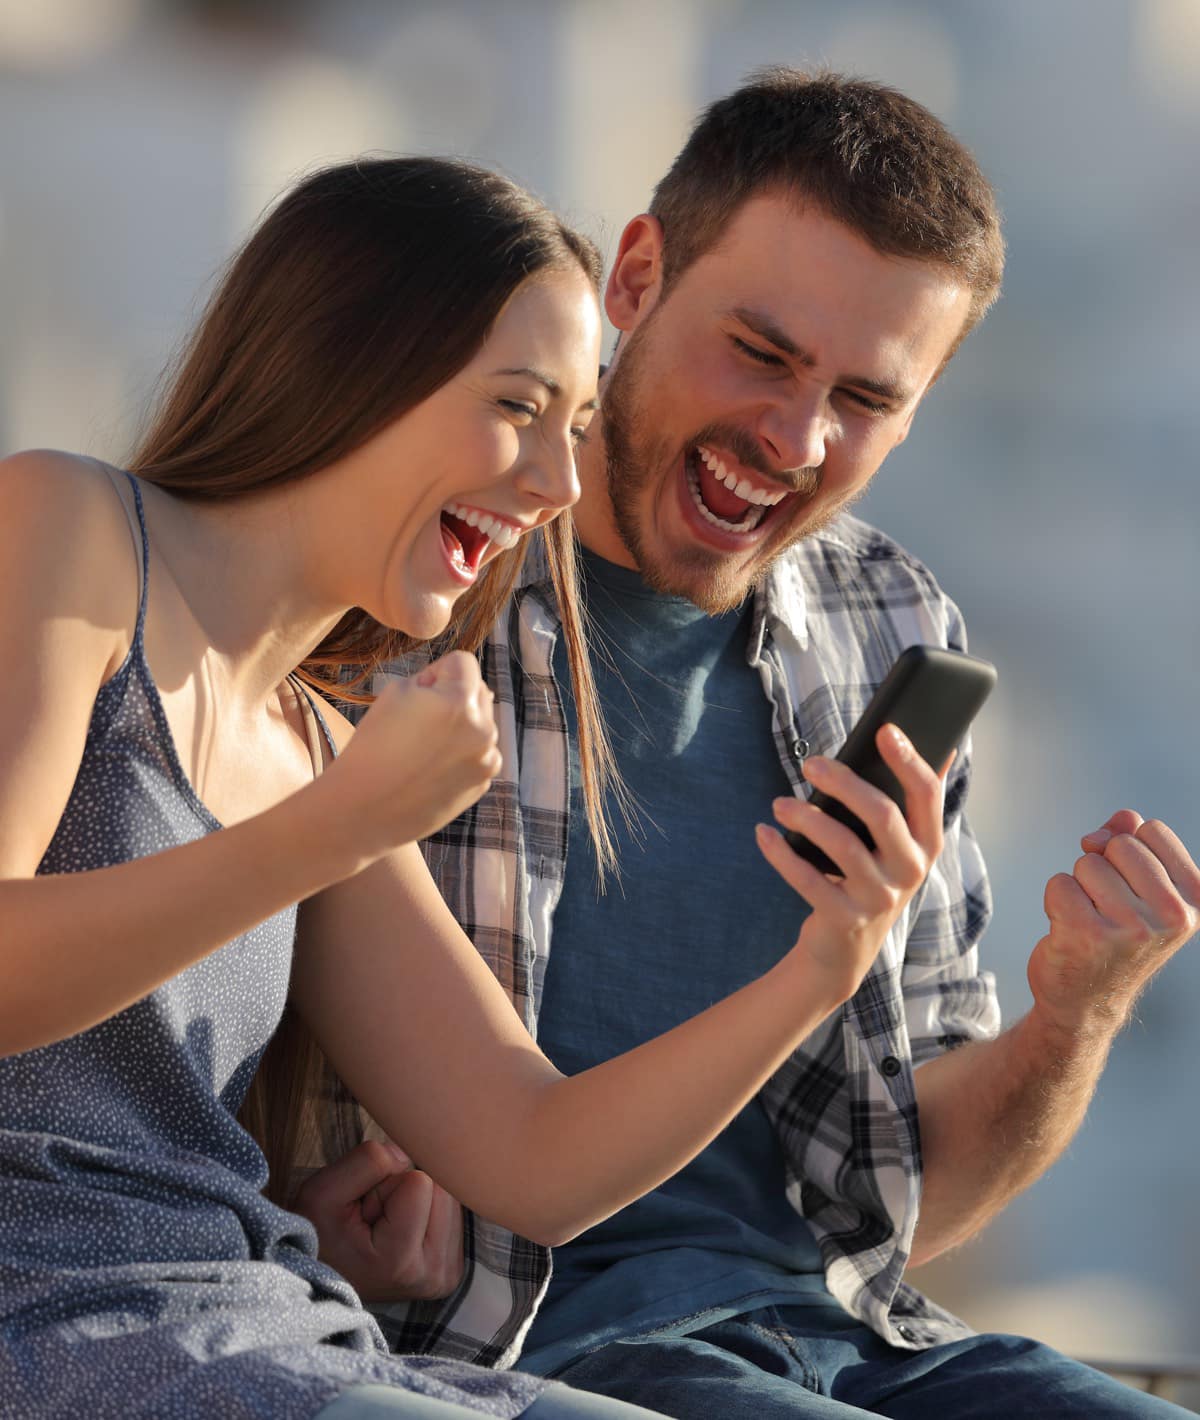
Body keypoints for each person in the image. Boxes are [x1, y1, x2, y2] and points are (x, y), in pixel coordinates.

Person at [0, 155, 965, 1420]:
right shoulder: (67, 527)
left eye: (575, 428)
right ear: (357, 361)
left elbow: (532, 1156)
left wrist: (825, 965)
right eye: (520, 406)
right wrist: (335, 828)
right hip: (59, 1326)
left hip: (262, 1324)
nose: (559, 487)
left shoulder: (321, 749)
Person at [303, 74, 1200, 1418]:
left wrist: (1077, 1012)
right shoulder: (427, 566)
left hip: (842, 1332)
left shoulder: (889, 624)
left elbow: (904, 1201)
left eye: (865, 399)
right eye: (763, 355)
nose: (797, 439)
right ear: (641, 272)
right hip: (523, 1350)